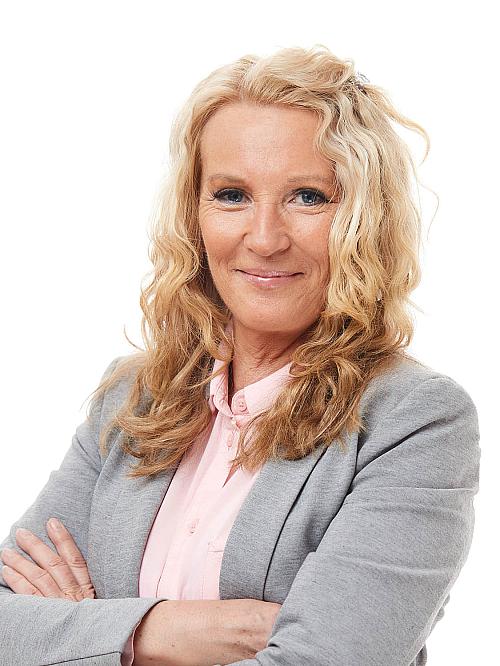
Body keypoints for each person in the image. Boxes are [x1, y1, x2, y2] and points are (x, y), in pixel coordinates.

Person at [0, 44, 480, 666]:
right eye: (231, 195)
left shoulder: (414, 420)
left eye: (309, 197)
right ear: (193, 213)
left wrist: (80, 633)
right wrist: (163, 632)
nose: (265, 238)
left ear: (366, 219)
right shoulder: (133, 398)